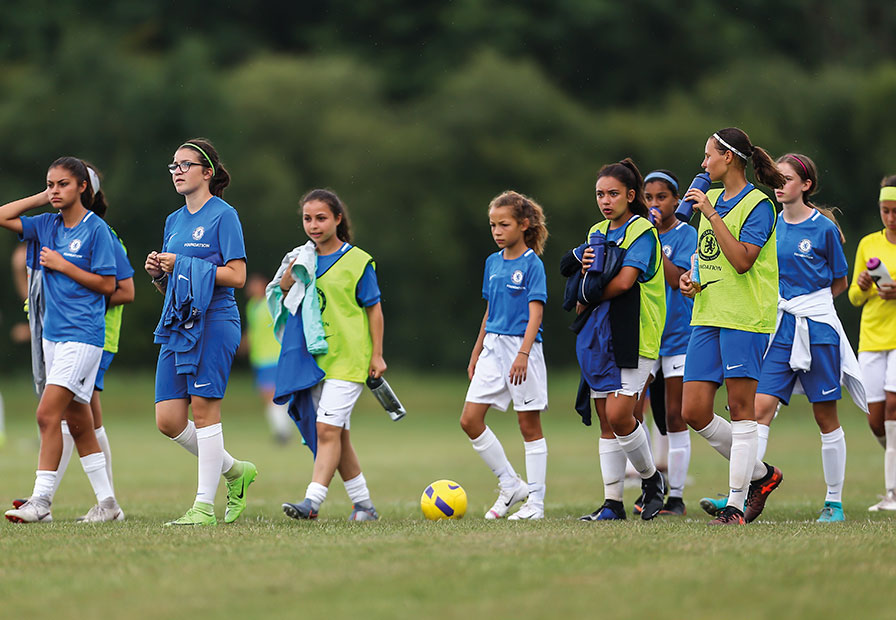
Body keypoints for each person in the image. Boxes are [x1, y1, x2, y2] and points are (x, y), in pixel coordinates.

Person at [1, 157, 122, 523]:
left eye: (63, 184)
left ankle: (41, 501)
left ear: (83, 187)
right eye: (50, 184)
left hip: (83, 337)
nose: (55, 190)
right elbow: (3, 215)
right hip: (52, 338)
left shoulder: (96, 230)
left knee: (46, 414)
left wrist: (65, 265)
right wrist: (43, 197)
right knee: (80, 424)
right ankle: (109, 505)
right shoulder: (46, 224)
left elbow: (108, 286)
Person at [145, 139, 256, 526]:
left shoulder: (224, 215)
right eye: (173, 165)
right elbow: (178, 279)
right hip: (178, 322)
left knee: (205, 412)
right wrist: (160, 273)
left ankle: (204, 508)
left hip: (215, 320)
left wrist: (183, 261)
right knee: (168, 420)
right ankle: (236, 471)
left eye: (185, 165)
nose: (177, 171)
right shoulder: (173, 221)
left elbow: (237, 276)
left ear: (207, 172)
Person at [679, 127, 786, 525]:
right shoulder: (715, 202)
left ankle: (736, 506)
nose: (703, 164)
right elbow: (712, 260)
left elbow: (742, 260)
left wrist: (709, 211)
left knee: (742, 411)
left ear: (729, 158)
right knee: (693, 411)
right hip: (706, 314)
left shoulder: (758, 204)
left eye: (708, 156)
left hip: (744, 317)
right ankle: (762, 475)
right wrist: (691, 283)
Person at [749, 154, 861, 523]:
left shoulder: (824, 229)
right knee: (759, 410)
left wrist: (813, 307)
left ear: (806, 185)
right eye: (776, 179)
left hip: (818, 330)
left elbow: (840, 281)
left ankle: (834, 502)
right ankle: (744, 493)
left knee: (825, 415)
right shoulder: (769, 225)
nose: (779, 185)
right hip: (780, 329)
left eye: (787, 179)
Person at [280, 189, 387, 521]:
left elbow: (374, 311)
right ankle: (364, 506)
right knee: (337, 435)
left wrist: (377, 356)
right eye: (307, 219)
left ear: (338, 219)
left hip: (350, 358)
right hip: (316, 359)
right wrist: (294, 266)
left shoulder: (358, 261)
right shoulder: (304, 256)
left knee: (326, 429)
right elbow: (284, 288)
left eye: (321, 218)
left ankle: (311, 502)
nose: (313, 225)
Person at [574, 159, 667, 522]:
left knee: (619, 413)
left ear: (631, 195)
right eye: (600, 194)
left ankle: (651, 479)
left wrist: (587, 295)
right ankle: (612, 502)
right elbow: (587, 275)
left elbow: (626, 281)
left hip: (636, 334)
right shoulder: (597, 230)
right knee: (604, 417)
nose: (605, 200)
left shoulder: (642, 230)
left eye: (613, 193)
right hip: (600, 334)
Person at [460, 190, 549, 520]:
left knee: (528, 426)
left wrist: (523, 353)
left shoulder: (532, 264)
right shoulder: (492, 262)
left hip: (521, 348)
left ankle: (536, 504)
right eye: (492, 225)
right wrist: (476, 351)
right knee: (469, 420)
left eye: (504, 224)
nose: (497, 231)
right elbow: (489, 312)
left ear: (523, 225)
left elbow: (536, 313)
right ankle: (510, 484)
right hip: (492, 348)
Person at [643, 169, 696, 516]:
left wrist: (656, 247)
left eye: (661, 197)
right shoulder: (638, 234)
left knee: (676, 415)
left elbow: (678, 280)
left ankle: (675, 496)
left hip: (678, 336)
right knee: (635, 414)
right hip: (646, 338)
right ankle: (650, 489)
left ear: (676, 200)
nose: (655, 203)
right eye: (648, 198)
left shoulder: (687, 234)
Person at [849, 174, 896, 511]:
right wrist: (864, 284)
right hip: (871, 337)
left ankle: (892, 493)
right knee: (875, 419)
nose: (891, 218)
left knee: (893, 411)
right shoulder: (868, 244)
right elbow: (853, 297)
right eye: (885, 211)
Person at [243, 273, 294, 444]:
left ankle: (282, 431)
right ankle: (283, 428)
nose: (251, 288)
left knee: (271, 394)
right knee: (269, 395)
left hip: (275, 355)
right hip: (259, 358)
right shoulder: (252, 306)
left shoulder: (271, 304)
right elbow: (252, 330)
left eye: (255, 284)